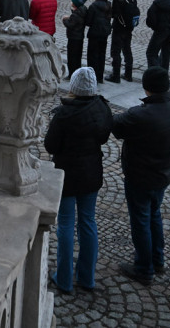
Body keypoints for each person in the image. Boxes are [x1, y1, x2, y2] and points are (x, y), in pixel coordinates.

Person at [112, 67, 170, 286]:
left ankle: (144, 268)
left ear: (146, 88)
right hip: (163, 174)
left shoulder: (141, 115)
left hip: (140, 177)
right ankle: (158, 259)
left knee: (141, 221)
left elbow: (116, 125)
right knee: (154, 214)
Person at [44, 67, 112, 294]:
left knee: (65, 225)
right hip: (91, 173)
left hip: (67, 175)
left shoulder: (64, 114)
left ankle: (63, 279)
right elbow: (103, 137)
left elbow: (50, 145)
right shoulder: (102, 107)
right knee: (88, 222)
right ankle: (87, 278)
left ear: (73, 88)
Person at [107, 0, 138, 83]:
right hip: (129, 27)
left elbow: (115, 13)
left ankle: (116, 75)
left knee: (116, 51)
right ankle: (128, 74)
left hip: (119, 26)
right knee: (127, 50)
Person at [84, 0, 112, 83]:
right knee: (101, 55)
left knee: (92, 56)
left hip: (94, 34)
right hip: (104, 34)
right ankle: (100, 76)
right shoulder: (108, 6)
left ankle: (91, 76)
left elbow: (88, 21)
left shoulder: (93, 6)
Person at [63, 0, 88, 76]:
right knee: (77, 57)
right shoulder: (83, 10)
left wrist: (64, 20)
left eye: (72, 2)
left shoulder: (76, 15)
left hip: (73, 38)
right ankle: (77, 73)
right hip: (79, 37)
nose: (71, 3)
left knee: (71, 57)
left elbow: (70, 24)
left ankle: (71, 74)